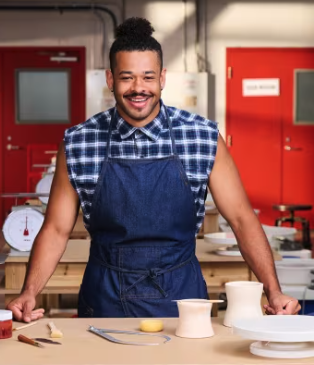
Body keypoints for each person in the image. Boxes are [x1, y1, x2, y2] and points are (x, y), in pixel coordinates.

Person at [7, 17, 300, 321]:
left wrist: (274, 290)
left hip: (183, 301)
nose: (138, 88)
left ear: (162, 78)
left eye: (148, 77)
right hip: (105, 301)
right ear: (110, 79)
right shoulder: (79, 142)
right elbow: (56, 229)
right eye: (127, 77)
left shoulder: (202, 137)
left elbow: (242, 220)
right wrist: (29, 292)